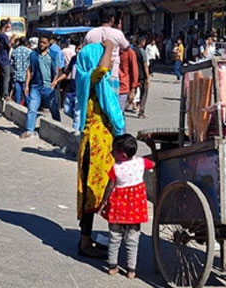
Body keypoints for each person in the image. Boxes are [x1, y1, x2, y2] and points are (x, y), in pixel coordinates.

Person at [75, 40, 125, 259]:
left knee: (105, 191)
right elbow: (102, 69)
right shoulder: (89, 79)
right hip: (93, 148)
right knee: (91, 194)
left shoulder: (98, 86)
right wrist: (107, 48)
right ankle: (85, 243)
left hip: (104, 147)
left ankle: (91, 240)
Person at [98, 134, 154, 279]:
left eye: (113, 150)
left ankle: (112, 266)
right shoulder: (141, 163)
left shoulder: (115, 169)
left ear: (122, 155)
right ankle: (131, 270)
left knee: (114, 238)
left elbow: (109, 188)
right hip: (135, 211)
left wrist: (103, 203)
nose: (111, 152)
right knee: (132, 240)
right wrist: (152, 146)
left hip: (118, 210)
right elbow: (154, 163)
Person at [21, 35, 61, 139]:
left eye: (44, 42)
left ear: (48, 44)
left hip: (49, 87)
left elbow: (57, 70)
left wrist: (55, 81)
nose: (41, 44)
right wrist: (26, 85)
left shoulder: (54, 55)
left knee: (53, 108)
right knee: (32, 108)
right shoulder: (33, 55)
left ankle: (59, 127)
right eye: (40, 42)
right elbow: (29, 70)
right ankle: (29, 130)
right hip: (36, 86)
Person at [85, 8, 130, 92]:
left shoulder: (90, 34)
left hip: (94, 75)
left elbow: (84, 51)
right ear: (112, 19)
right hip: (112, 75)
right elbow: (126, 47)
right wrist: (119, 28)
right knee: (111, 103)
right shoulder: (117, 33)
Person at [52, 41, 82, 130]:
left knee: (77, 114)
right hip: (71, 89)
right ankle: (80, 122)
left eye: (80, 49)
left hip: (80, 90)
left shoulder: (86, 60)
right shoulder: (74, 59)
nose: (78, 51)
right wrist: (57, 80)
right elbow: (67, 72)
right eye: (77, 48)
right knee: (66, 110)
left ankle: (75, 133)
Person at [11, 37, 32, 105]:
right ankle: (29, 107)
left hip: (16, 75)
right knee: (26, 92)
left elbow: (11, 63)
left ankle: (18, 106)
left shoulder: (14, 51)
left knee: (17, 93)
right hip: (26, 76)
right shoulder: (29, 52)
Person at [134, 37, 151, 119]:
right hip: (141, 76)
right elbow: (145, 66)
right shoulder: (142, 52)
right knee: (144, 93)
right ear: (142, 42)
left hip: (134, 75)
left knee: (132, 92)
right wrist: (148, 78)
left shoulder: (132, 50)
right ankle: (141, 112)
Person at [0, 22, 12, 102]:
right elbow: (9, 44)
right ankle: (5, 94)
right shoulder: (3, 36)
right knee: (6, 77)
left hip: (1, 58)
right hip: (4, 59)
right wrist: (13, 38)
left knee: (2, 78)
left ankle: (1, 94)